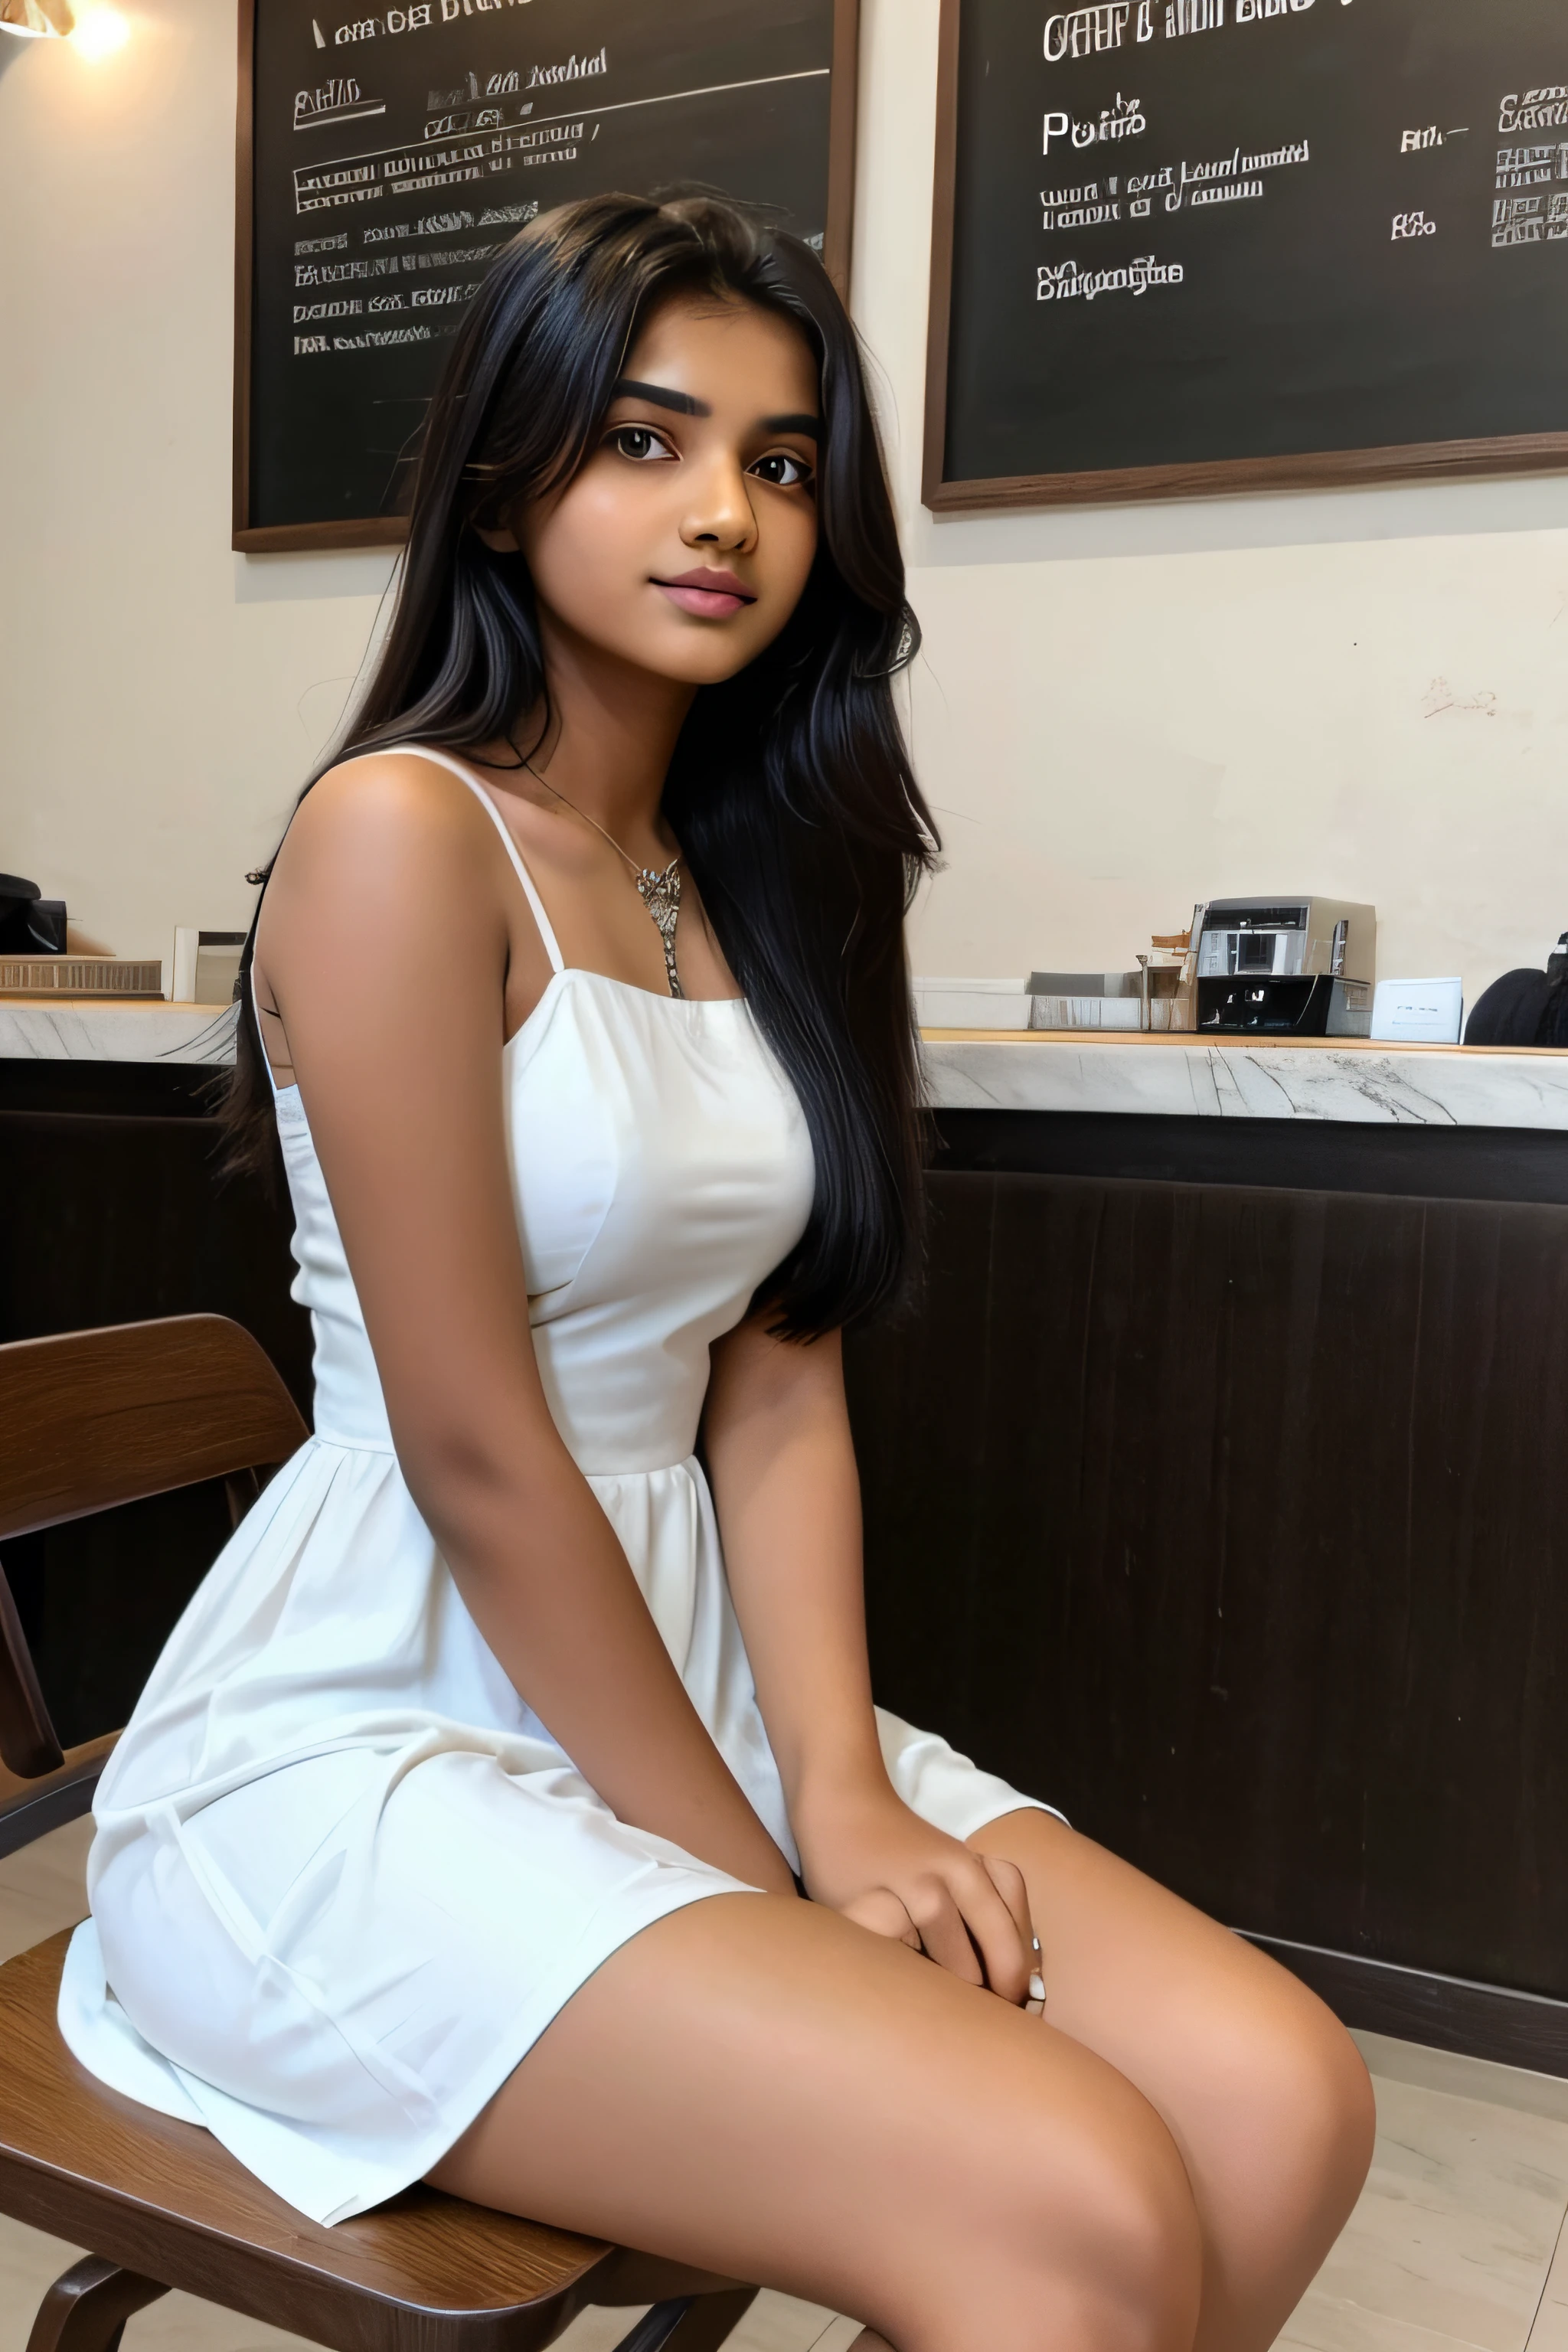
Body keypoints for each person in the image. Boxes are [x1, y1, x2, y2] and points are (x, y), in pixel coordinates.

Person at [58, 195, 1373, 2351]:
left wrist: (835, 1788)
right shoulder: (398, 834)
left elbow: (774, 1387)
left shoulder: (771, 876)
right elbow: (480, 1453)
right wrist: (758, 1875)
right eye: (648, 442)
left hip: (696, 1675)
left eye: (778, 464)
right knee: (1069, 2190)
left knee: (1274, 2104)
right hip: (370, 1724)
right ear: (506, 473)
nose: (727, 515)